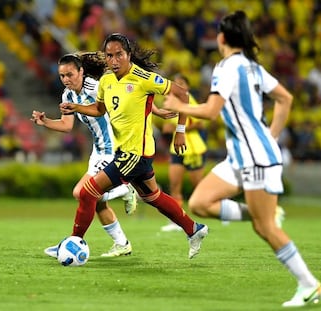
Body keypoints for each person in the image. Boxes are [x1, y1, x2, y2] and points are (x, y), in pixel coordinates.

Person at [163, 11, 321, 307]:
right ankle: (261, 212)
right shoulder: (251, 66)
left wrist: (177, 105)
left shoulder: (225, 67)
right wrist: (270, 136)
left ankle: (309, 284)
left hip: (255, 158)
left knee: (265, 229)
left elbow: (211, 111)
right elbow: (285, 98)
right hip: (242, 155)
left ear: (221, 38)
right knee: (200, 203)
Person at [59, 33, 209, 260]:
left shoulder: (143, 78)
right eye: (109, 55)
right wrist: (76, 108)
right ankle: (193, 229)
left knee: (88, 192)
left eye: (119, 54)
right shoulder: (107, 81)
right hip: (124, 152)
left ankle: (72, 244)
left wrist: (180, 131)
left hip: (136, 153)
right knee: (153, 196)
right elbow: (99, 110)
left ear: (128, 55)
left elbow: (182, 94)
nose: (114, 60)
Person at [31, 51, 138, 257]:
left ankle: (124, 190)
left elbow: (113, 107)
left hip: (113, 148)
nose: (66, 80)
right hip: (97, 152)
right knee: (96, 201)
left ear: (81, 71)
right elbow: (66, 125)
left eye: (70, 74)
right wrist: (45, 122)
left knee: (82, 193)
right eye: (62, 76)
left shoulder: (97, 87)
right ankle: (122, 243)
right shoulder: (68, 95)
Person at [159, 74, 207, 232]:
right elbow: (168, 125)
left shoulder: (189, 101)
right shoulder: (171, 102)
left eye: (181, 83)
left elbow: (199, 124)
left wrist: (178, 129)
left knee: (199, 186)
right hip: (176, 148)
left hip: (193, 148)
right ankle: (176, 221)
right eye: (176, 84)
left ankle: (217, 210)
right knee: (174, 185)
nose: (178, 86)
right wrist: (168, 128)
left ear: (187, 87)